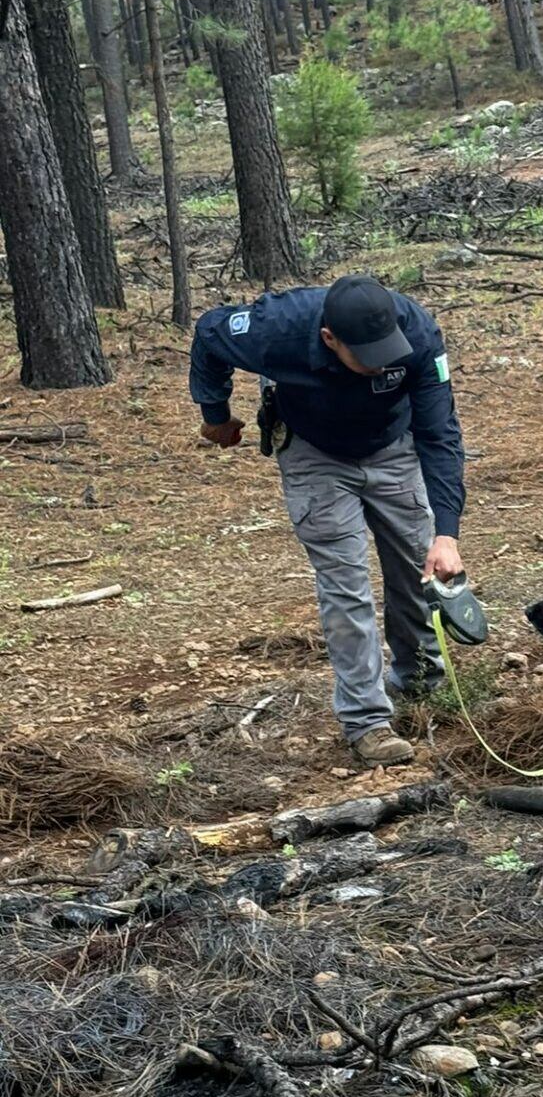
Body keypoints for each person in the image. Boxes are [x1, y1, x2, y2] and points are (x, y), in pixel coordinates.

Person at [190, 274, 466, 768]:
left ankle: (422, 684)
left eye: (387, 351)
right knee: (345, 584)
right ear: (329, 339)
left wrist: (446, 533)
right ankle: (367, 722)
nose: (381, 361)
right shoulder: (278, 328)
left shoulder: (417, 334)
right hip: (314, 454)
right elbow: (210, 332)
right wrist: (216, 413)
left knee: (414, 569)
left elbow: (440, 432)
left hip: (392, 447)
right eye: (367, 355)